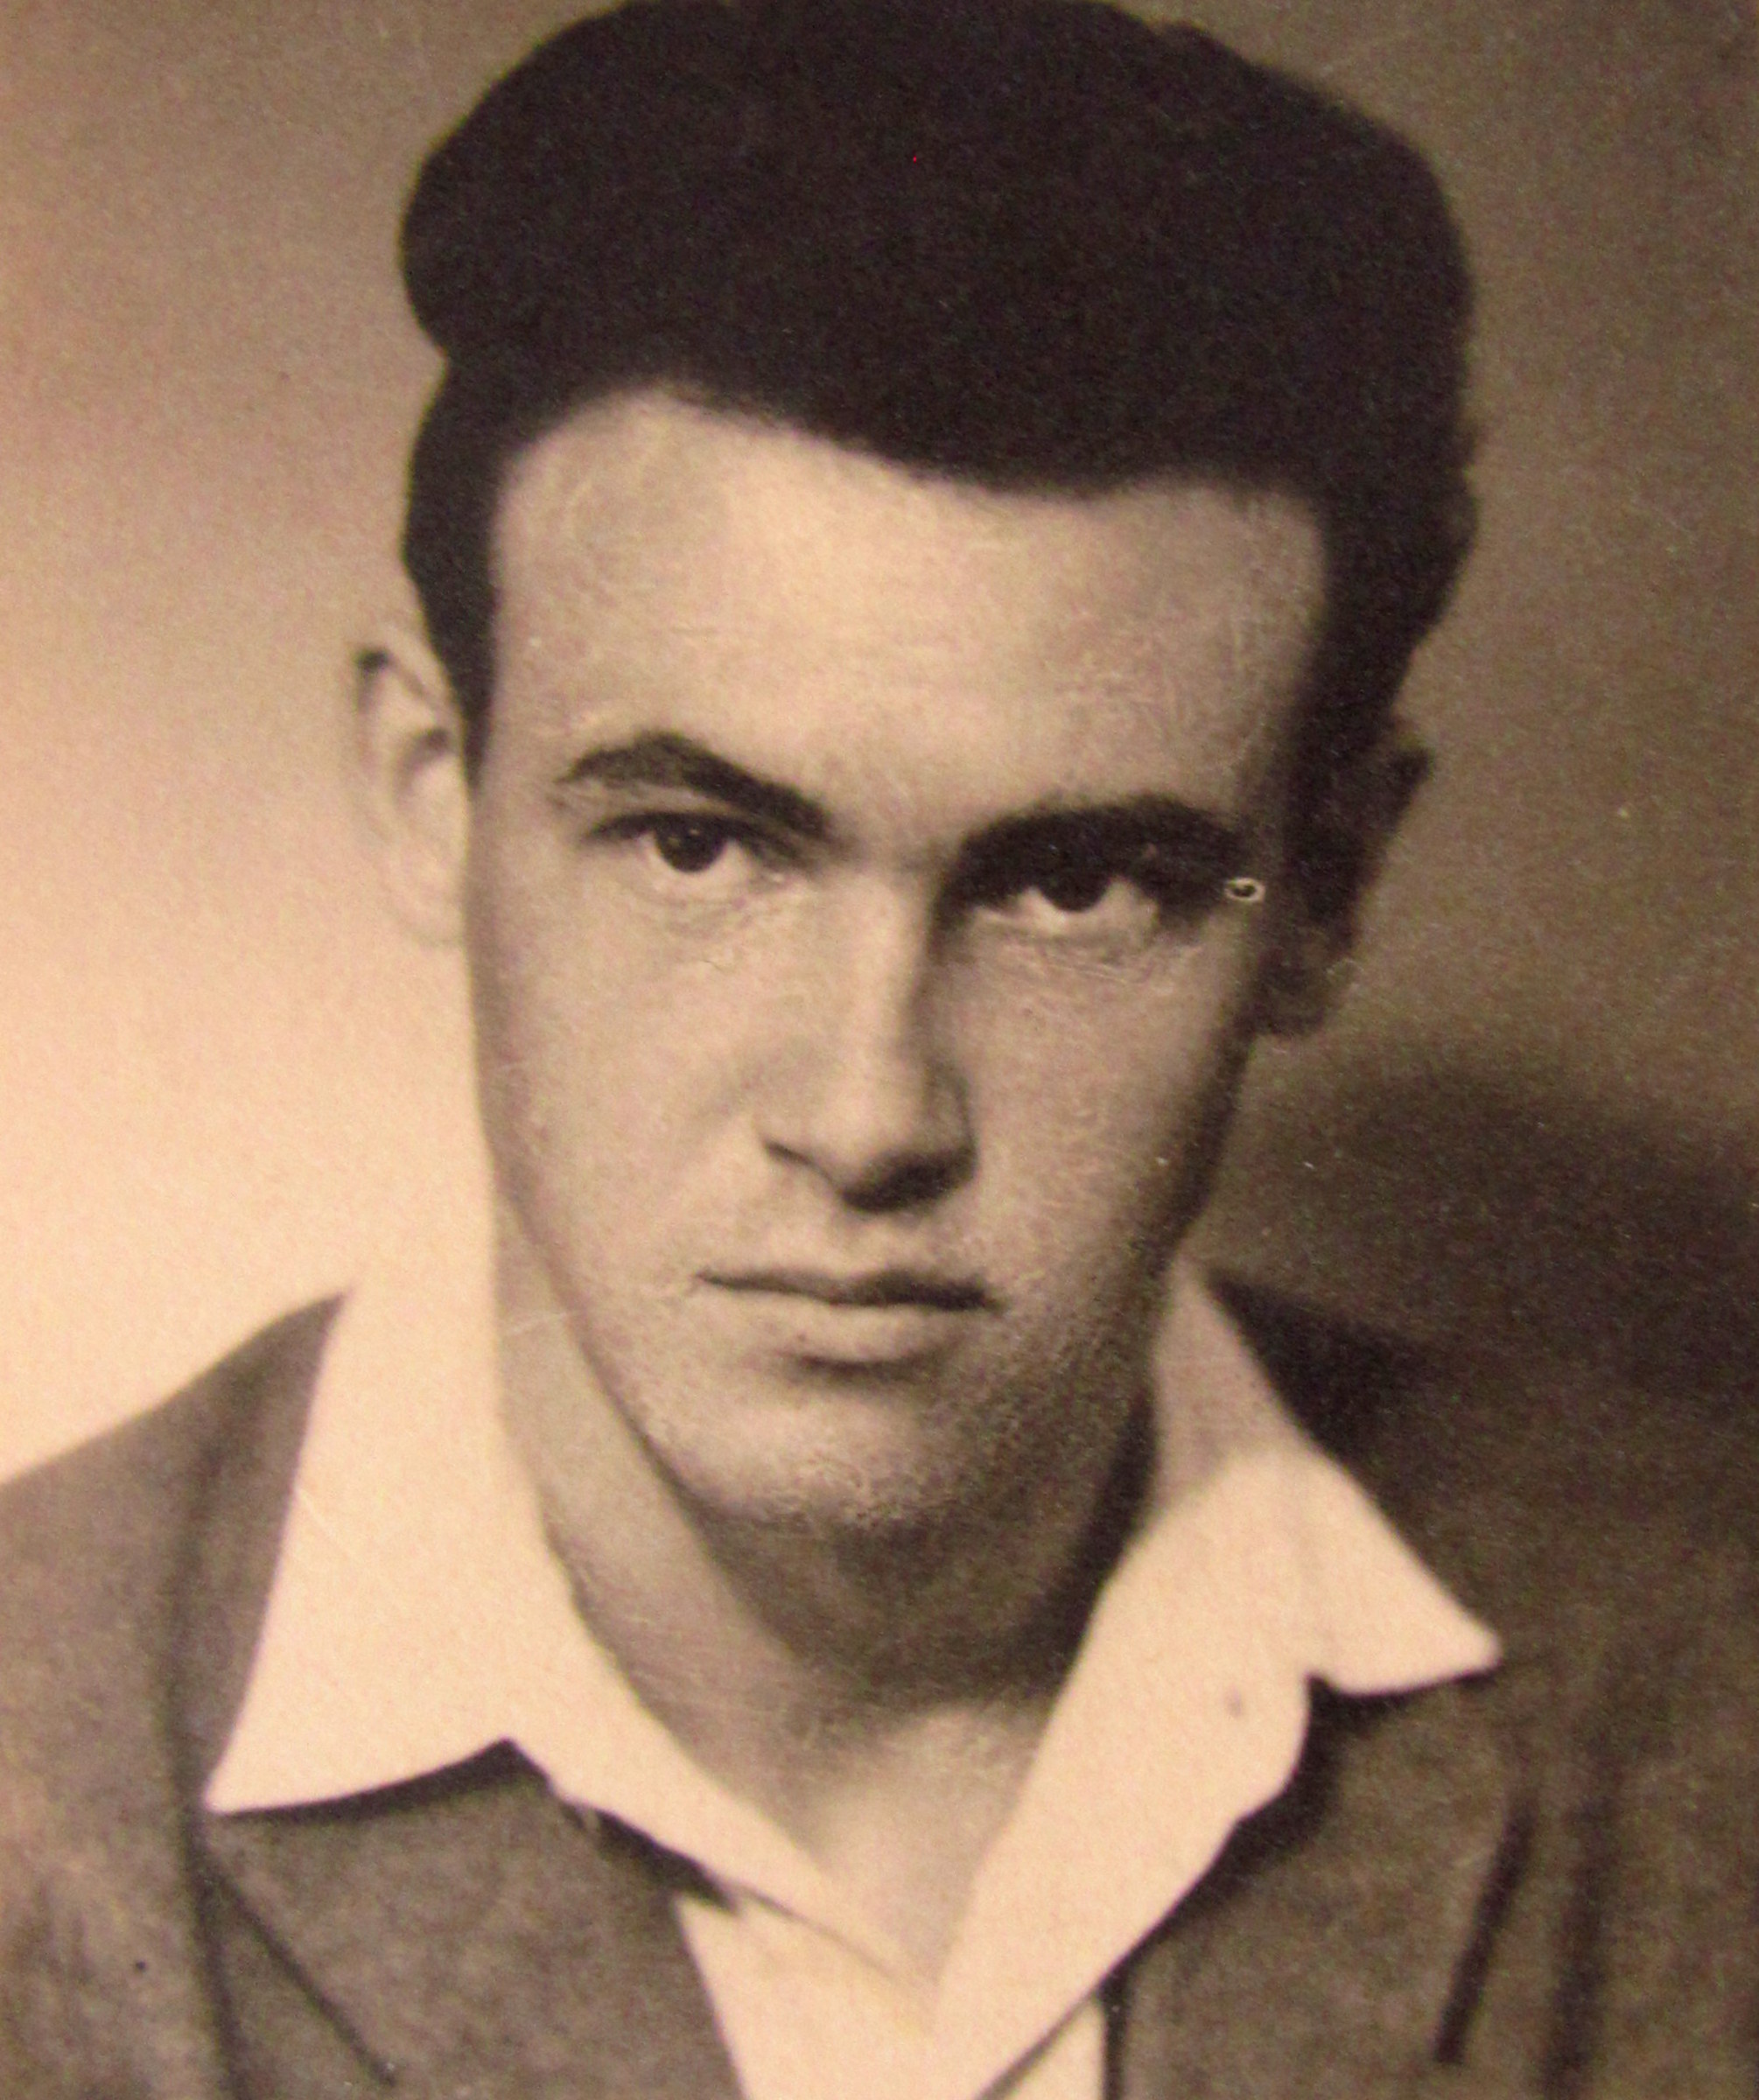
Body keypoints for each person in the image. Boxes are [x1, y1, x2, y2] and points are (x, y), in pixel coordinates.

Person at [3, 1, 1754, 2094]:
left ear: (1330, 888)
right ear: (430, 792)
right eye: (699, 844)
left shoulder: (1715, 1674)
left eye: (1076, 886)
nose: (865, 1116)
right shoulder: (33, 1774)